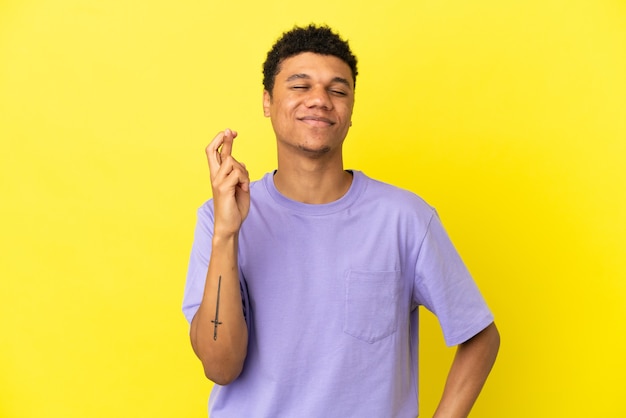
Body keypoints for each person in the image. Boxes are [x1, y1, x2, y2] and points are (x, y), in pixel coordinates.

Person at [182, 24, 500, 417]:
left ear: (351, 110)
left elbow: (480, 335)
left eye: (337, 90)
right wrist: (226, 234)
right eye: (300, 86)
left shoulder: (404, 219)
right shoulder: (219, 217)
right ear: (267, 101)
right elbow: (220, 366)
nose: (319, 100)